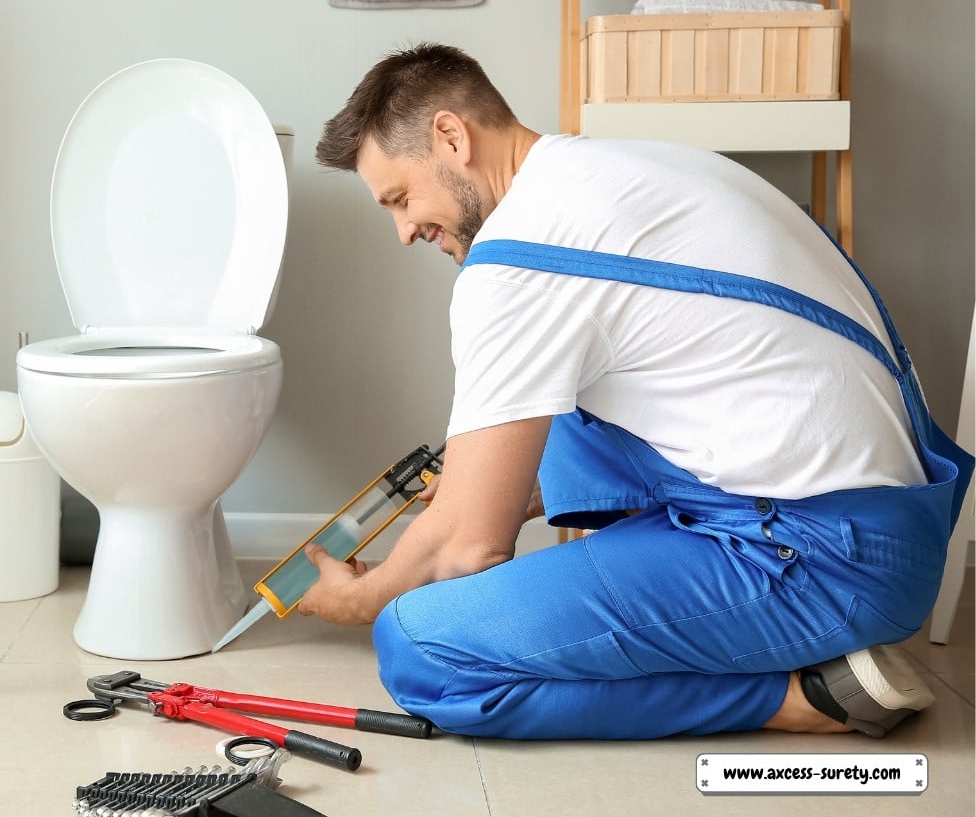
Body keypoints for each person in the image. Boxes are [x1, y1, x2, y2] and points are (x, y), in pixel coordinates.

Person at [298, 42, 972, 740]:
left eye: (402, 199)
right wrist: (497, 486)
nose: (405, 231)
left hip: (826, 561)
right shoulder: (630, 169)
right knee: (560, 400)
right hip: (893, 529)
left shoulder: (513, 263)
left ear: (451, 136)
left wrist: (364, 598)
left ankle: (797, 698)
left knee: (419, 648)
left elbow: (463, 551)